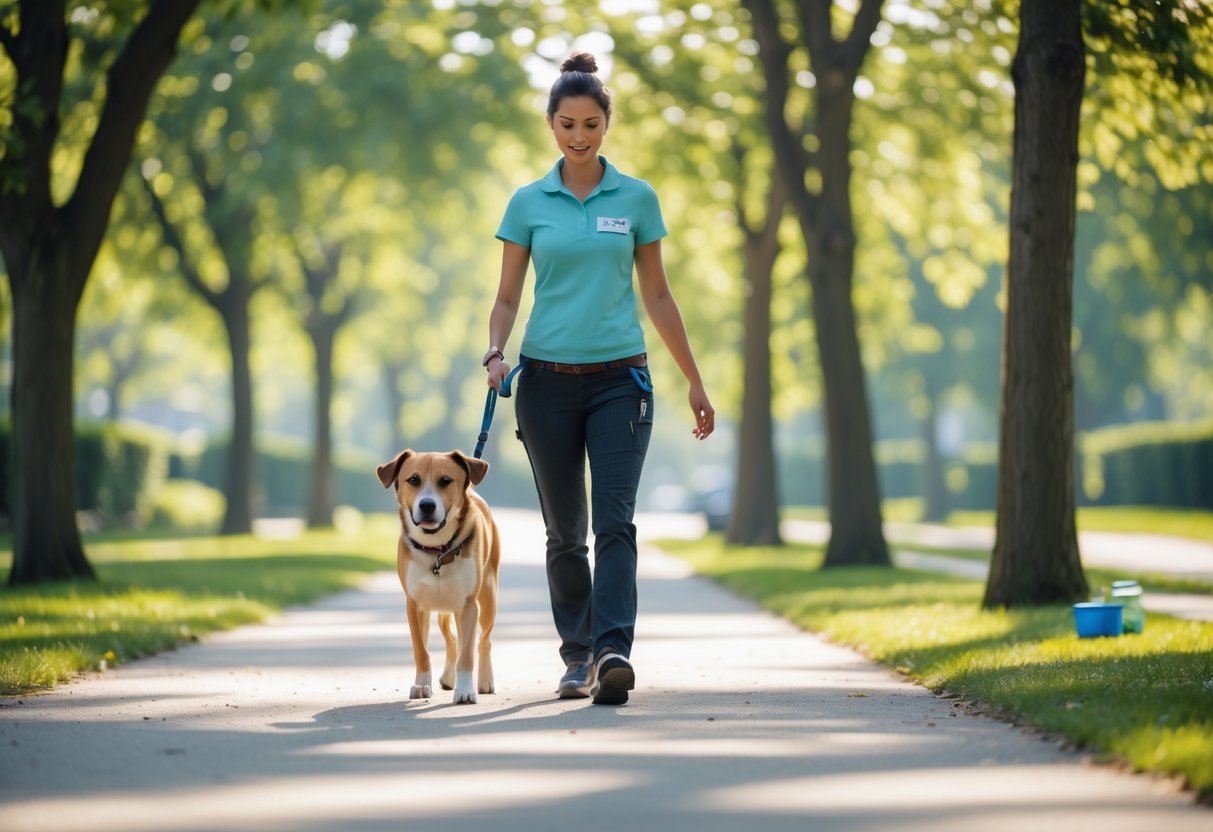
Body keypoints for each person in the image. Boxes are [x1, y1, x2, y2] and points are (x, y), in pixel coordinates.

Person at [483, 52, 714, 706]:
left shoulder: (635, 198)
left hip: (621, 382)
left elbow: (660, 297)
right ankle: (576, 654)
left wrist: (693, 380)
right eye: (565, 124)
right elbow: (505, 298)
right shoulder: (528, 203)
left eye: (589, 123)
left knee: (615, 524)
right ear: (549, 125)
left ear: (607, 124)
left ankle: (612, 649)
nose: (578, 136)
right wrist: (495, 351)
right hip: (545, 386)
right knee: (564, 534)